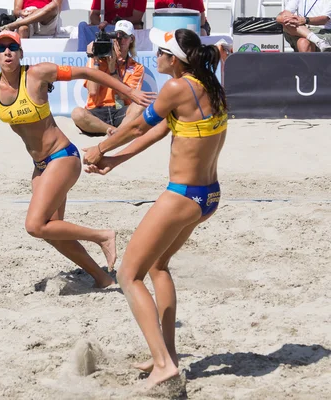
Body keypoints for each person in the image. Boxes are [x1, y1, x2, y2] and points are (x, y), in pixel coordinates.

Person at [83, 28, 227, 389]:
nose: (156, 58)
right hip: (208, 195)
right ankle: (169, 355)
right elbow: (159, 132)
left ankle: (164, 365)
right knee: (159, 267)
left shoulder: (177, 88)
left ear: (173, 59)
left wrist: (99, 149)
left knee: (128, 275)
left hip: (183, 195)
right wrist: (115, 161)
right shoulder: (205, 85)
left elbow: (134, 126)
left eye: (161, 52)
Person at [0, 31, 154, 288]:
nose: (7, 52)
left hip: (62, 157)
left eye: (12, 47)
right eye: (1, 48)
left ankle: (102, 236)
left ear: (20, 53)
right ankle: (102, 277)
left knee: (35, 225)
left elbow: (88, 73)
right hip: (40, 166)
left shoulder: (38, 73)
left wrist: (129, 91)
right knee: (52, 231)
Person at [71, 20, 145, 137]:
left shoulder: (136, 67)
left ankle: (116, 131)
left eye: (124, 37)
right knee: (77, 113)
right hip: (96, 112)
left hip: (120, 111)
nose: (120, 40)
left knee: (140, 107)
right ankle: (113, 131)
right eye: (117, 36)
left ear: (132, 39)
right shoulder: (96, 60)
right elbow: (93, 91)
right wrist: (95, 61)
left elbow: (126, 96)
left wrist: (112, 70)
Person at [77, 0, 146, 52]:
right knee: (82, 25)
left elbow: (137, 18)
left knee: (134, 28)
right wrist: (100, 25)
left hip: (124, 28)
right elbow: (93, 15)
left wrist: (119, 23)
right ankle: (82, 56)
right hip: (105, 28)